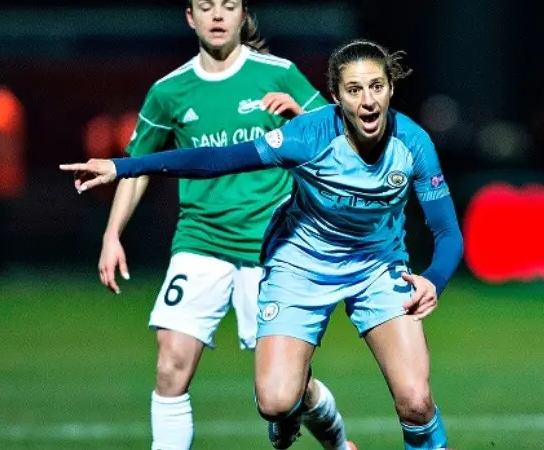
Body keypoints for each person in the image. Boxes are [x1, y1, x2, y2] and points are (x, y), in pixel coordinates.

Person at [62, 38, 463, 450]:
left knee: (416, 401)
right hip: (300, 265)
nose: (367, 101)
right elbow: (217, 160)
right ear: (335, 96)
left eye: (376, 87)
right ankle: (293, 409)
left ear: (391, 89)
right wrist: (121, 167)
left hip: (376, 265)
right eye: (354, 89)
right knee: (274, 401)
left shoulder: (413, 145)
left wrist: (434, 278)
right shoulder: (308, 135)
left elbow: (448, 233)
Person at [95, 0, 353, 448]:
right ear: (190, 17)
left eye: (228, 6)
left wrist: (298, 114)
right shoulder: (169, 91)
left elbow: (337, 136)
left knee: (287, 390)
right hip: (200, 242)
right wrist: (112, 233)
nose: (218, 15)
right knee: (170, 363)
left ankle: (336, 441)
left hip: (273, 250)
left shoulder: (278, 73)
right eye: (207, 7)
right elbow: (138, 166)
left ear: (242, 15)